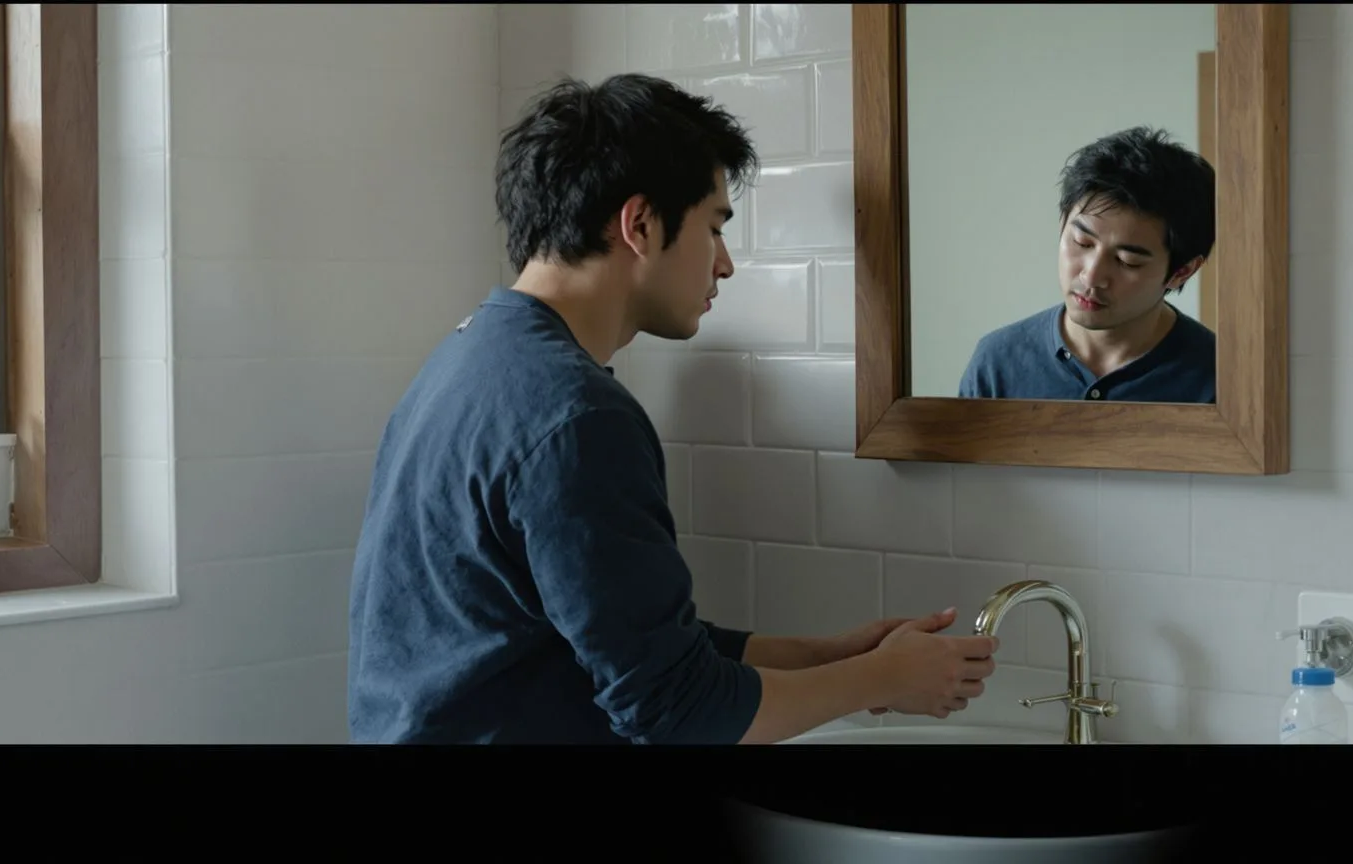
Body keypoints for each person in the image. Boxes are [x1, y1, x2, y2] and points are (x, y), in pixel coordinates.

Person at [346, 73, 999, 745]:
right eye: (714, 229)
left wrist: (840, 656)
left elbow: (629, 641)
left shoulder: (470, 358)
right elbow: (678, 712)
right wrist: (883, 682)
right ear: (640, 224)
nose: (725, 265)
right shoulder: (578, 418)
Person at [957, 126, 1217, 403]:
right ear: (1062, 225)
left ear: (1182, 272)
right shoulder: (998, 362)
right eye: (1082, 242)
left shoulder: (1221, 377)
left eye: (1127, 261)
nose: (1091, 276)